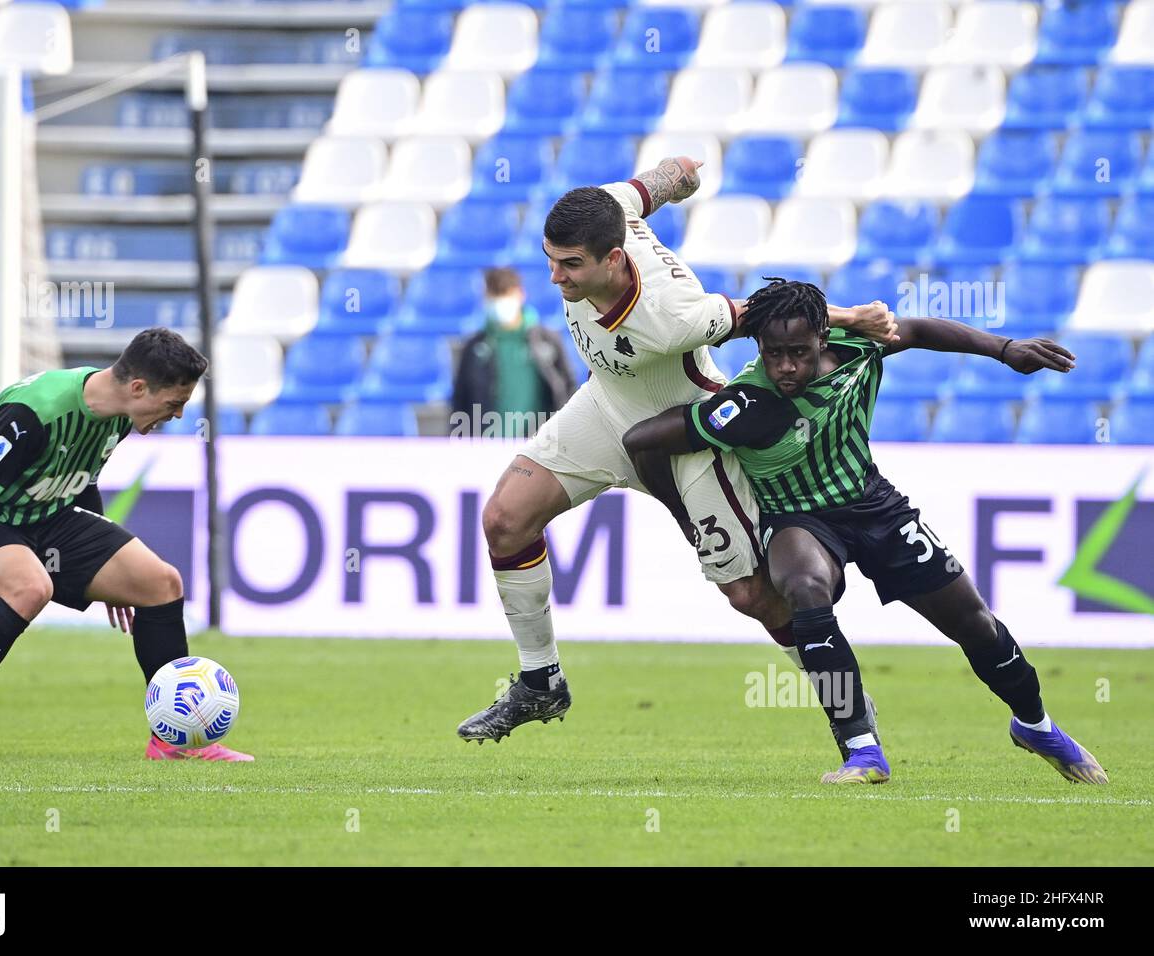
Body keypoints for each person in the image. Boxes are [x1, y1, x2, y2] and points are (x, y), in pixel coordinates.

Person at [456, 157, 897, 754]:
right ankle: (541, 681)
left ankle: (845, 702)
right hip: (606, 410)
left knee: (751, 595)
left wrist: (851, 317)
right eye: (550, 260)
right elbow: (649, 187)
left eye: (570, 265)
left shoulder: (670, 314)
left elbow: (763, 317)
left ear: (613, 259)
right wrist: (680, 175)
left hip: (688, 437)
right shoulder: (604, 212)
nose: (555, 278)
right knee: (504, 521)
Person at [622, 278, 1107, 785]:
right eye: (774, 354)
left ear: (823, 339)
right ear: (758, 348)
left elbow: (917, 329)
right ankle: (861, 749)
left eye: (799, 353)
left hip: (877, 507)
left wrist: (1005, 349)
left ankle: (1035, 724)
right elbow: (642, 441)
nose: (786, 367)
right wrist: (688, 520)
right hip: (798, 518)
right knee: (805, 588)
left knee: (973, 622)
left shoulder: (858, 347)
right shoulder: (746, 404)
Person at [0, 327, 253, 764]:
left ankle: (171, 741)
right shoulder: (36, 411)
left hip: (45, 517)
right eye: (174, 404)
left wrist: (107, 564)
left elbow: (80, 481)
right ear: (137, 387)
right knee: (30, 587)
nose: (176, 415)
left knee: (159, 582)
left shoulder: (118, 417)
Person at [451, 266, 576, 439]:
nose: (500, 301)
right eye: (494, 295)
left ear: (520, 294)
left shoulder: (547, 341)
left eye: (505, 293)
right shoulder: (473, 347)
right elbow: (460, 400)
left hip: (539, 446)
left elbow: (566, 389)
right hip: (487, 447)